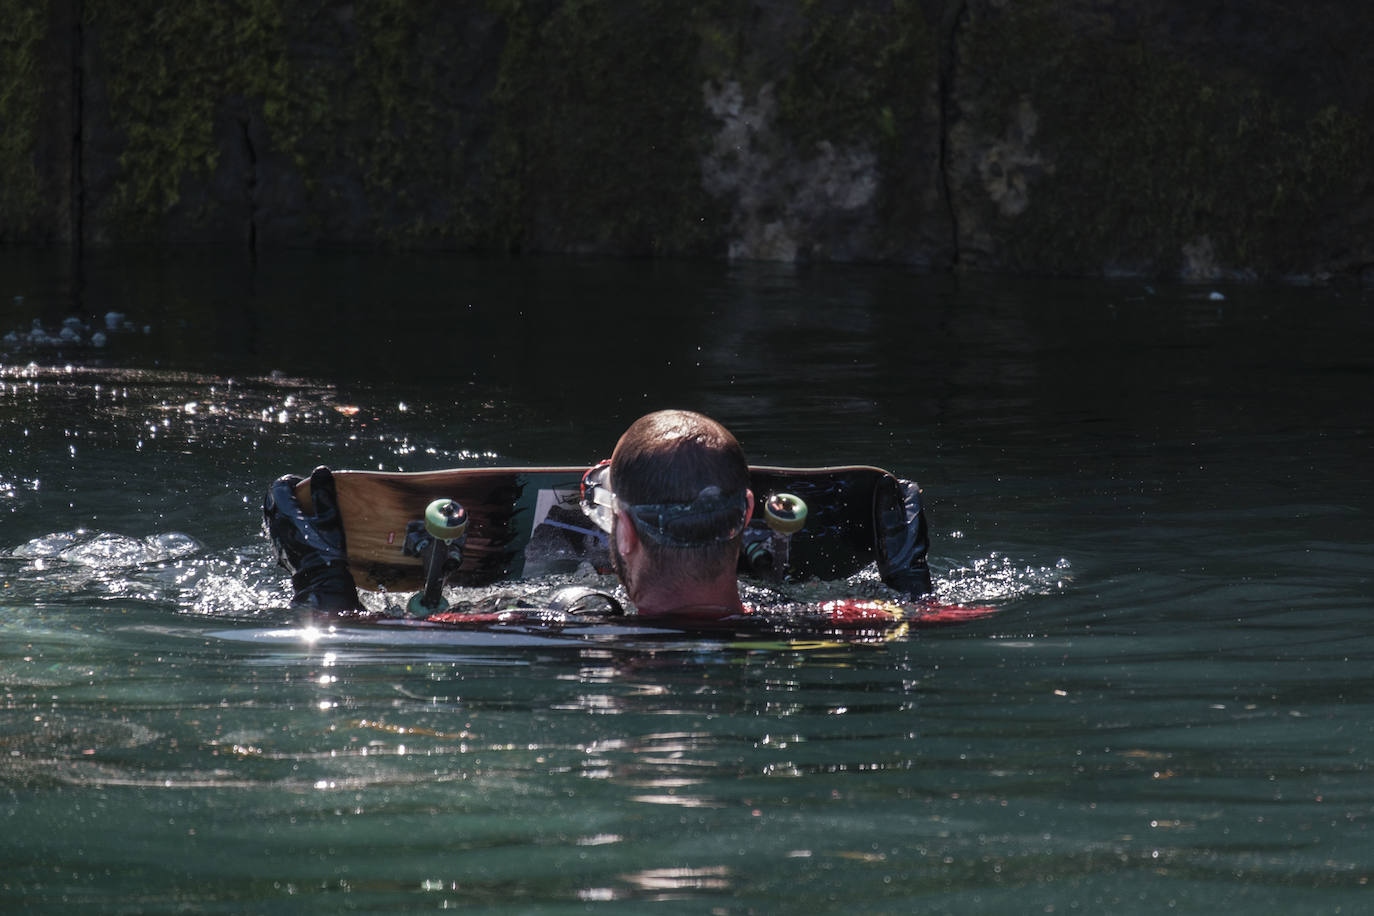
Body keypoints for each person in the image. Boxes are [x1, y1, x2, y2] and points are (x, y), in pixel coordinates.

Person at [264, 408, 931, 619]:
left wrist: (321, 577)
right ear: (749, 510)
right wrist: (910, 584)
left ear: (626, 530)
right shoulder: (836, 627)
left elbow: (345, 638)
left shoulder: (539, 632)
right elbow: (947, 622)